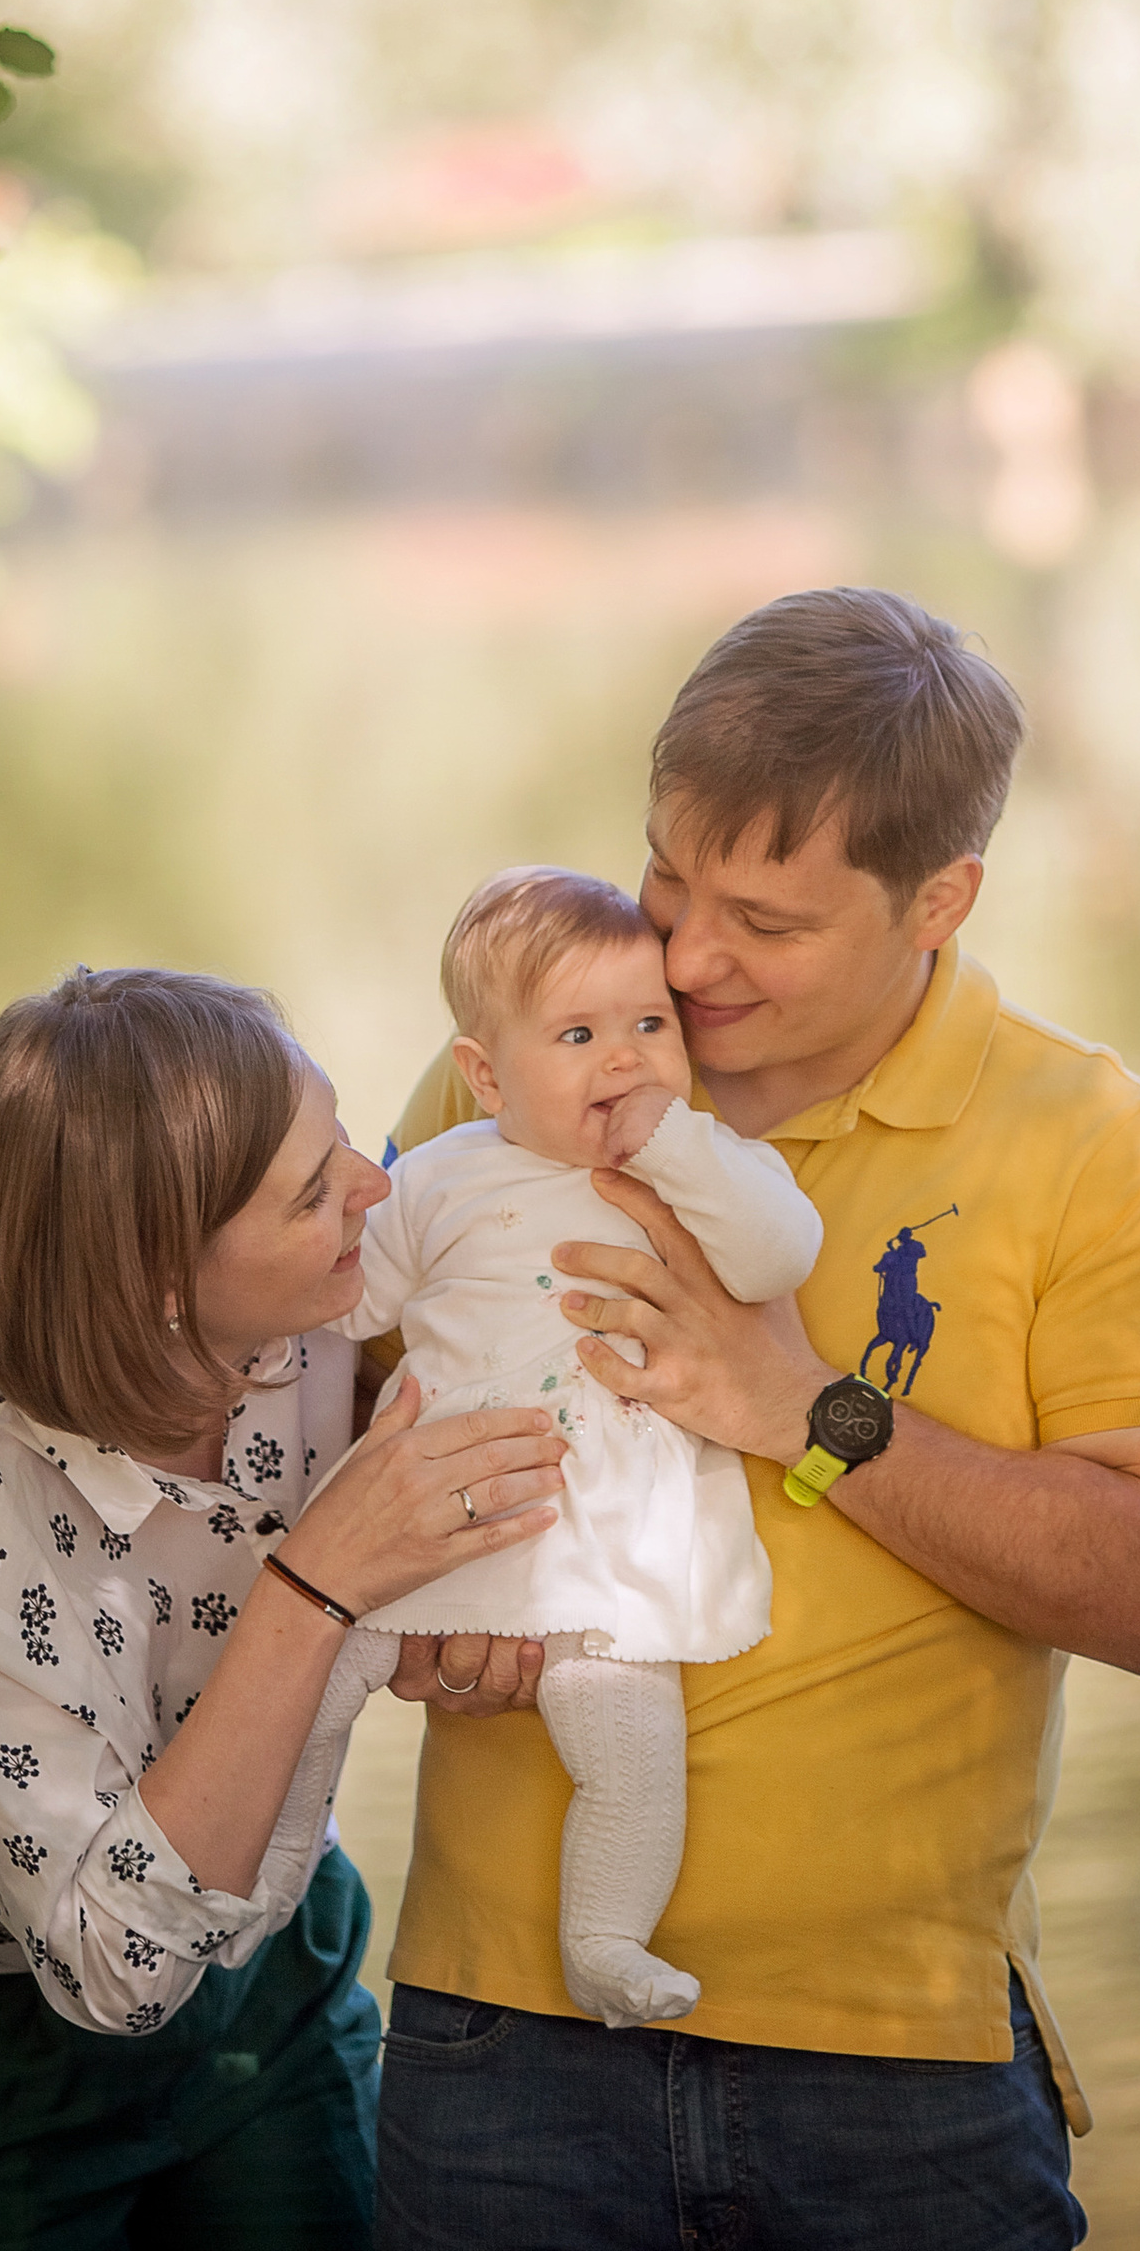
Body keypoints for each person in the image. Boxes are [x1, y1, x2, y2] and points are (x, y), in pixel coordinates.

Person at [373, 588, 1140, 2251]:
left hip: (900, 2080)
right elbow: (345, 1435)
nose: (688, 963)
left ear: (942, 900)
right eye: (668, 878)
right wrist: (428, 1594)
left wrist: (804, 1409)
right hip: (503, 2045)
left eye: (767, 923)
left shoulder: (1095, 1147)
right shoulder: (526, 1059)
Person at [0, 965, 565, 2249]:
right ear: (162, 1288)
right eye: (312, 1189)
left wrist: (470, 1605)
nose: (375, 1184)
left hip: (263, 1965)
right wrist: (319, 1588)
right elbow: (115, 1967)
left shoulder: (334, 1286)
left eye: (339, 1136)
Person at [264, 863, 820, 2029]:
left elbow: (776, 1256)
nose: (625, 1058)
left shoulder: (703, 1169)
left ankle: (604, 1941)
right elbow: (352, 1304)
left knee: (628, 1744)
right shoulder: (436, 1178)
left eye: (648, 1026)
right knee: (318, 1678)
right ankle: (270, 1876)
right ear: (483, 1073)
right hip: (444, 1513)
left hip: (610, 1542)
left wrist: (677, 1151)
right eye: (577, 1033)